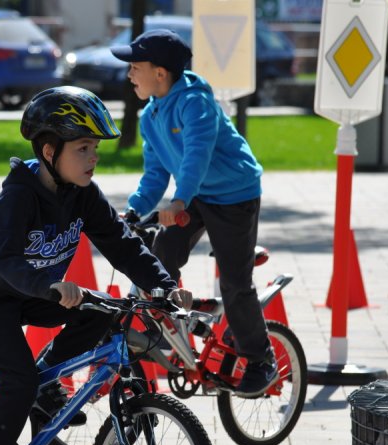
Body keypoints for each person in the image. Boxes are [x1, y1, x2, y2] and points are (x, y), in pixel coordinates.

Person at [0, 86, 191, 445]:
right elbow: (6, 260)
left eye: (95, 148)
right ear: (49, 151)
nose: (93, 157)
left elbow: (122, 243)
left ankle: (45, 384)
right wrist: (48, 285)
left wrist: (164, 286)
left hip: (34, 293)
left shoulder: (82, 193)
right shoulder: (18, 196)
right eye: (82, 148)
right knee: (18, 379)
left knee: (105, 310)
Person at [110, 29, 277, 396]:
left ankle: (261, 360)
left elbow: (196, 156)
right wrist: (134, 211)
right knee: (161, 254)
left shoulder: (195, 102)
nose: (129, 74)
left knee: (234, 281)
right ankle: (169, 322)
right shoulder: (151, 116)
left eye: (135, 67)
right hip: (196, 194)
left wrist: (180, 201)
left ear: (160, 73)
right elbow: (155, 174)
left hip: (234, 194)